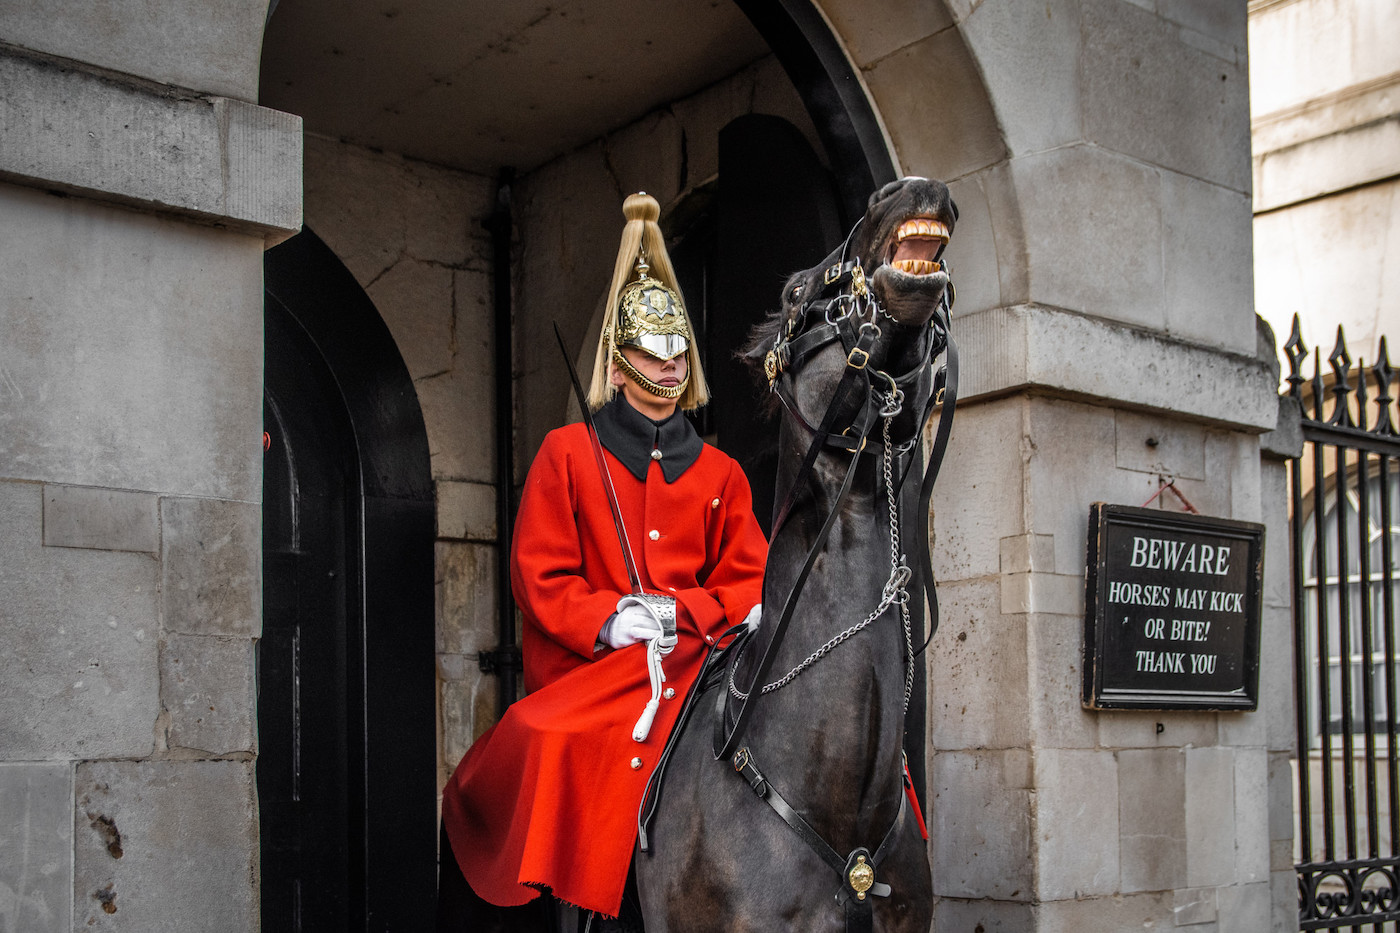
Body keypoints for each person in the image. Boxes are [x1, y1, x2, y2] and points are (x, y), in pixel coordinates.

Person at [439, 192, 767, 930]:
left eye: (677, 352)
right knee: (532, 738)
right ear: (619, 368)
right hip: (598, 670)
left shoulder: (722, 473)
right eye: (653, 353)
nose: (669, 364)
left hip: (697, 661)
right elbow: (541, 576)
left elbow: (749, 578)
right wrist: (611, 618)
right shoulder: (566, 455)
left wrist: (687, 613)